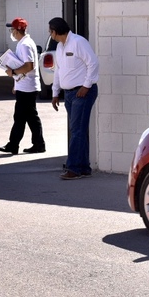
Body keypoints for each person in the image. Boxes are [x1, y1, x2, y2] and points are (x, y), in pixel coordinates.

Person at [49, 16, 99, 180]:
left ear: (55, 31)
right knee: (78, 130)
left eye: (50, 31)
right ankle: (83, 167)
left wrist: (86, 85)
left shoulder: (78, 42)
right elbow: (58, 70)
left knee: (76, 130)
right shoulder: (60, 47)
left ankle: (74, 168)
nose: (50, 34)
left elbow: (93, 63)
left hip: (82, 92)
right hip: (69, 94)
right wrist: (55, 92)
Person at [0, 18, 46, 156]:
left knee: (21, 117)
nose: (11, 32)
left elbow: (29, 66)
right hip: (25, 85)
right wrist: (16, 83)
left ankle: (14, 145)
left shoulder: (24, 45)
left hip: (27, 87)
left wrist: (13, 73)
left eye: (12, 29)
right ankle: (38, 144)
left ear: (17, 30)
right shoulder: (24, 43)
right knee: (29, 117)